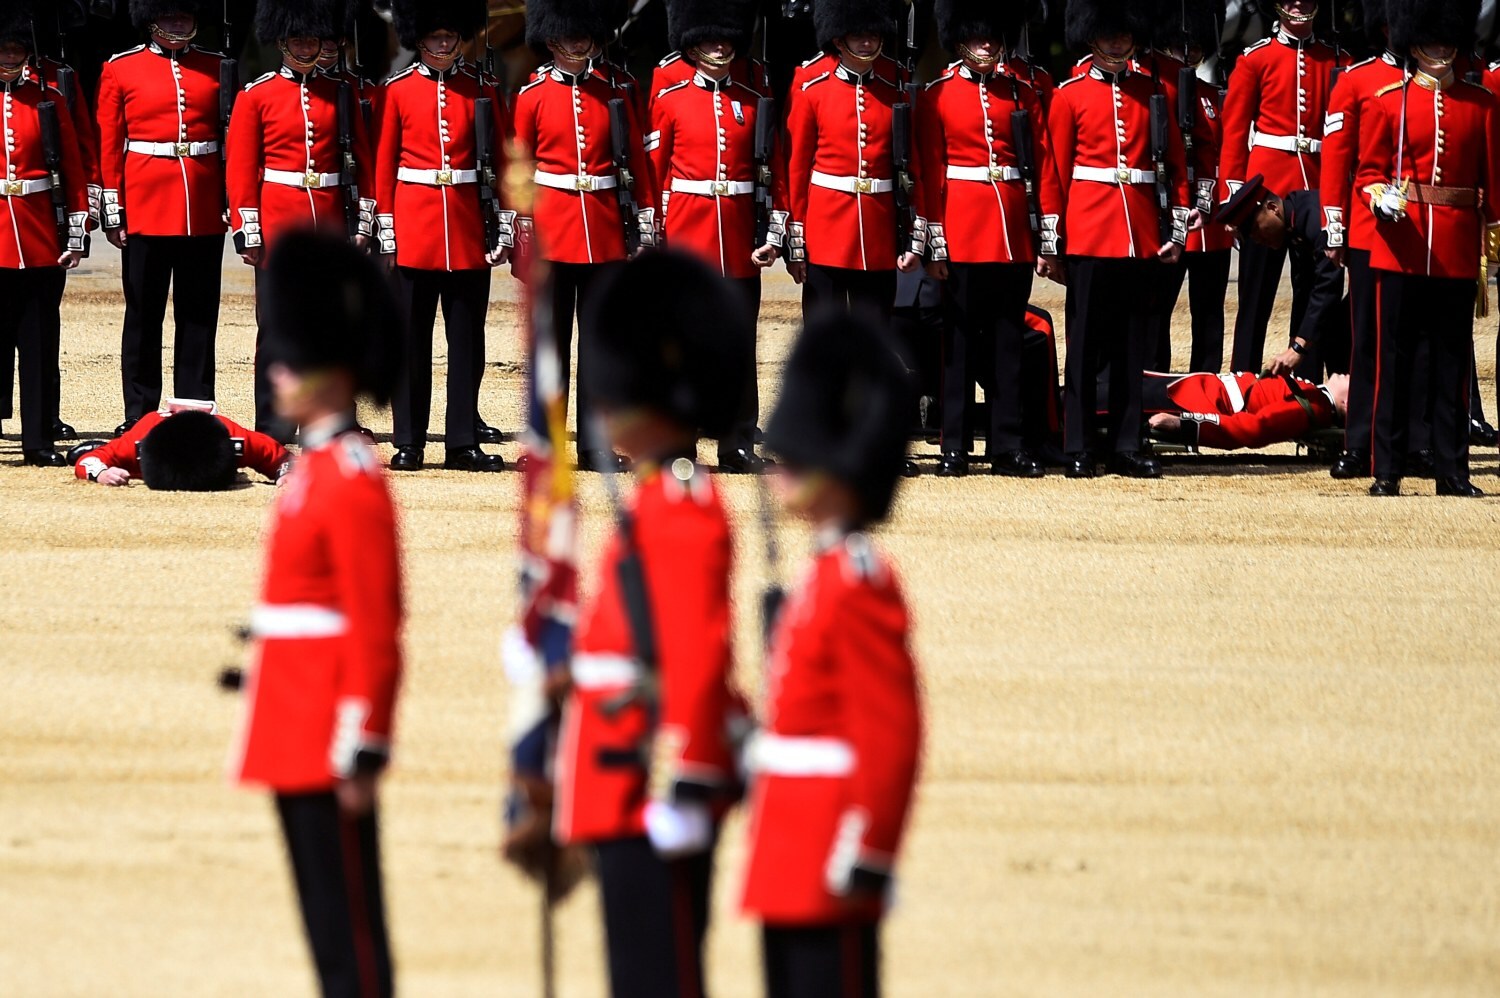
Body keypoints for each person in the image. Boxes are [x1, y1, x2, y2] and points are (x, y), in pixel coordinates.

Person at [551, 252, 752, 998]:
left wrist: (683, 778)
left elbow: (697, 654)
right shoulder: (658, 502)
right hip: (619, 776)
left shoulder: (681, 509)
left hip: (650, 785)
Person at [227, 232, 405, 998]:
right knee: (325, 928)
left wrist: (364, 742)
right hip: (291, 721)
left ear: (332, 372)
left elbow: (375, 620)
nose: (278, 373)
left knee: (351, 941)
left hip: (327, 729)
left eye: (292, 362)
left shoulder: (352, 478)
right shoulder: (314, 472)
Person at [742, 309, 923, 998]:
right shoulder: (823, 575)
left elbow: (892, 733)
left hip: (831, 852)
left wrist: (871, 851)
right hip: (785, 852)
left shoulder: (858, 582)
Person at [1355, 0, 1498, 497]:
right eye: (1431, 41)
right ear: (1413, 44)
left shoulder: (1480, 105)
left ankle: (1452, 470)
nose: (1441, 49)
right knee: (1392, 360)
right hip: (1402, 244)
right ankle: (1387, 468)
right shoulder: (1387, 100)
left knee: (1451, 363)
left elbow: (1492, 187)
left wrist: (1493, 244)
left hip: (1456, 247)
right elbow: (1369, 172)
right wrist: (1379, 197)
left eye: (1447, 40)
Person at [1047, 0, 1192, 478]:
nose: (1116, 42)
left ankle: (1129, 443)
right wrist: (1055, 240)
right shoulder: (1069, 94)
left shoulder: (1152, 91)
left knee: (1133, 347)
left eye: (1123, 34)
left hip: (1140, 234)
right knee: (1084, 346)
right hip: (1089, 233)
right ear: (1091, 36)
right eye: (1108, 34)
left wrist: (1176, 229)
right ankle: (1079, 444)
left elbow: (1175, 166)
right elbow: (1057, 174)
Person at [513, 0, 656, 473]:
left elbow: (636, 158)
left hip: (604, 228)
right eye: (567, 38)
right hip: (553, 229)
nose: (577, 45)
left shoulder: (616, 89)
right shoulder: (533, 93)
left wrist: (648, 220)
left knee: (598, 345)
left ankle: (595, 443)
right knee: (550, 347)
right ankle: (545, 443)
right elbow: (522, 167)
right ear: (551, 40)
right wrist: (521, 224)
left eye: (584, 37)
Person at [916, 0, 1055, 478]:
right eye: (978, 39)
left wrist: (1045, 238)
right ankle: (953, 446)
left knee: (1006, 344)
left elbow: (1043, 165)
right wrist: (935, 244)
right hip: (962, 231)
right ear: (959, 42)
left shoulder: (1021, 92)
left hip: (1012, 233)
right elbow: (929, 171)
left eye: (993, 39)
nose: (987, 46)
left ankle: (1006, 445)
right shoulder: (938, 94)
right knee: (957, 346)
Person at [226, 0, 375, 440]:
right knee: (275, 331)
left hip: (329, 225)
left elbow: (361, 163)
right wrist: (248, 229)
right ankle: (273, 425)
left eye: (312, 38)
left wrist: (363, 223)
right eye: (298, 39)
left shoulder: (340, 93)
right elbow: (241, 168)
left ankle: (332, 419)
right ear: (281, 42)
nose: (306, 46)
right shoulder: (257, 95)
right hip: (279, 227)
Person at [646, 0, 778, 473]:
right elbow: (656, 172)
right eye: (709, 39)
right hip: (687, 232)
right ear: (692, 41)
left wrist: (775, 226)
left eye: (725, 39)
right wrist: (653, 234)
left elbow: (771, 166)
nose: (719, 47)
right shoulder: (672, 94)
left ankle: (737, 441)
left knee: (739, 342)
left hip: (739, 232)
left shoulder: (750, 92)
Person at [377, 0, 509, 473]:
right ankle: (409, 440)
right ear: (419, 38)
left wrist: (506, 222)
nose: (443, 43)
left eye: (450, 36)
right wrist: (387, 228)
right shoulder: (397, 90)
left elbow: (504, 162)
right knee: (411, 341)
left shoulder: (483, 89)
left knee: (467, 343)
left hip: (468, 227)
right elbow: (384, 165)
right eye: (434, 36)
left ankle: (461, 441)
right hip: (415, 228)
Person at [96, 0, 228, 438]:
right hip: (145, 204)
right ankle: (140, 412)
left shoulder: (216, 66)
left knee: (198, 314)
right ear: (150, 19)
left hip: (202, 207)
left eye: (185, 16)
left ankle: (193, 406)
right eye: (169, 16)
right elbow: (111, 140)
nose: (178, 23)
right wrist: (113, 203)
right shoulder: (121, 68)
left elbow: (234, 138)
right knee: (144, 315)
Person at [1218, 0, 1346, 378]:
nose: (1299, 5)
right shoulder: (1255, 59)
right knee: (1255, 299)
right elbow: (1236, 132)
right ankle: (1242, 378)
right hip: (1267, 192)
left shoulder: (1334, 59)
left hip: (1318, 187)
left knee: (1314, 294)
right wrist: (1233, 198)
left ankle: (1305, 380)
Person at [783, 0, 922, 322]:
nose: (867, 42)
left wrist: (914, 229)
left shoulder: (895, 87)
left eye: (873, 35)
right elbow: (797, 166)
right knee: (824, 333)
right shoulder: (811, 89)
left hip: (879, 227)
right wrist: (797, 235)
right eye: (858, 35)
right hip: (825, 229)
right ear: (838, 39)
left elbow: (913, 165)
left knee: (876, 332)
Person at [0, 0, 94, 442]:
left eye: (16, 49)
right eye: (2, 49)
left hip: (38, 235)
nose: (8, 57)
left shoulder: (49, 100)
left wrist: (75, 233)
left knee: (38, 344)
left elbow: (74, 173)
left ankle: (38, 439)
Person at [1320, 0, 1405, 479]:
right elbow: (1337, 157)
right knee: (1368, 343)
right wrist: (1335, 225)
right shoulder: (1357, 79)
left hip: (1425, 233)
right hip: (1371, 232)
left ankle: (1413, 440)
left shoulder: (1441, 85)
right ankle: (1359, 443)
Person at [1149, 0, 1235, 375]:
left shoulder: (1210, 94)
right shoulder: (1156, 89)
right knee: (1158, 310)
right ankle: (1156, 382)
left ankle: (1206, 381)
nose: (1190, 52)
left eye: (1197, 45)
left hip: (1210, 224)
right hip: (1169, 216)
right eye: (1182, 44)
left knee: (1209, 313)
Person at [1215, 174, 1345, 377]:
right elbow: (1307, 288)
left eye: (1256, 228)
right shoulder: (1294, 223)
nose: (1258, 239)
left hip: (1387, 271)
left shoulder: (1313, 218)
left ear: (1273, 208)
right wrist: (1298, 341)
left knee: (1344, 332)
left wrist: (1299, 348)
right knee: (1334, 331)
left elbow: (1329, 287)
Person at [74, 399, 291, 486]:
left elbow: (284, 458)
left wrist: (287, 473)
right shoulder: (136, 442)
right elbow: (88, 460)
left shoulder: (237, 439)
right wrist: (101, 473)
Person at [1145, 371, 1348, 450]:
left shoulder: (1314, 406)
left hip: (1195, 400)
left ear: (1347, 403)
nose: (1349, 374)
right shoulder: (1315, 397)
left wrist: (1183, 425)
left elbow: (1255, 429)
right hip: (1197, 387)